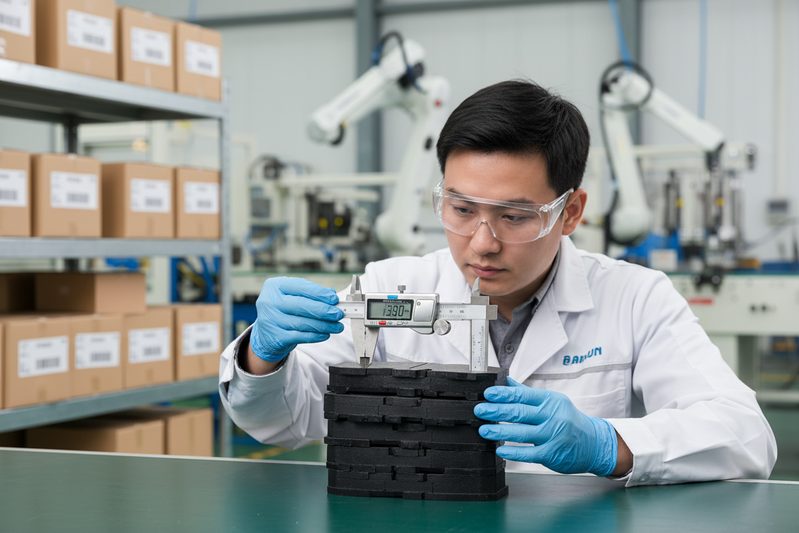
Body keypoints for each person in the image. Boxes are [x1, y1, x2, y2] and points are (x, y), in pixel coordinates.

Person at [219, 80, 776, 485]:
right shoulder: (391, 287)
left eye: (515, 217)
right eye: (460, 208)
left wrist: (613, 445)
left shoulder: (634, 298)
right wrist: (264, 356)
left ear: (572, 210)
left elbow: (746, 436)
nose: (482, 242)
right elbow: (282, 423)